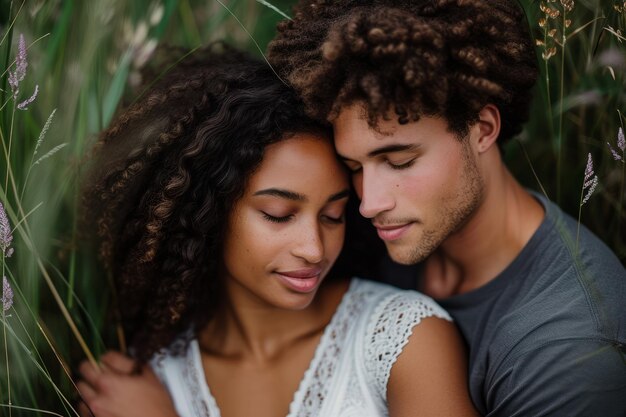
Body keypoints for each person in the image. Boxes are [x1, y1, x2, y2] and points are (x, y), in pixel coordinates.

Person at [76, 45, 478, 417]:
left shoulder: (402, 341)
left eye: (333, 215)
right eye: (279, 214)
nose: (314, 249)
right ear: (206, 213)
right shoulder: (155, 373)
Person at [267, 0, 626, 415]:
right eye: (353, 167)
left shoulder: (569, 353)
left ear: (483, 129)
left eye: (400, 162)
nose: (368, 204)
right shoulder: (362, 231)